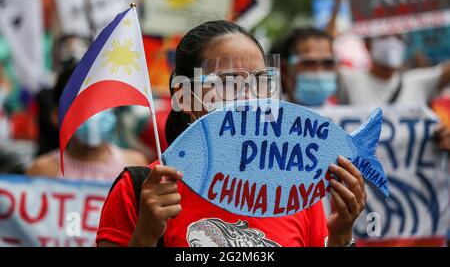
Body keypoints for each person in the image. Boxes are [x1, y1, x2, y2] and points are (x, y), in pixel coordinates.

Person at [96, 20, 366, 247]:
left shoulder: (295, 191)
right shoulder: (142, 191)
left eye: (261, 82)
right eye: (228, 83)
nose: (249, 97)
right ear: (185, 97)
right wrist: (144, 235)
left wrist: (341, 236)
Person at [26, 65, 148, 181]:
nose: (93, 114)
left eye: (101, 102)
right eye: (80, 105)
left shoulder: (135, 166)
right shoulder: (42, 171)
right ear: (57, 116)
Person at [276, 27, 337, 107]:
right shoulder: (270, 116)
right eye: (309, 63)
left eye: (328, 63)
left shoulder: (346, 113)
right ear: (284, 70)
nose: (320, 71)